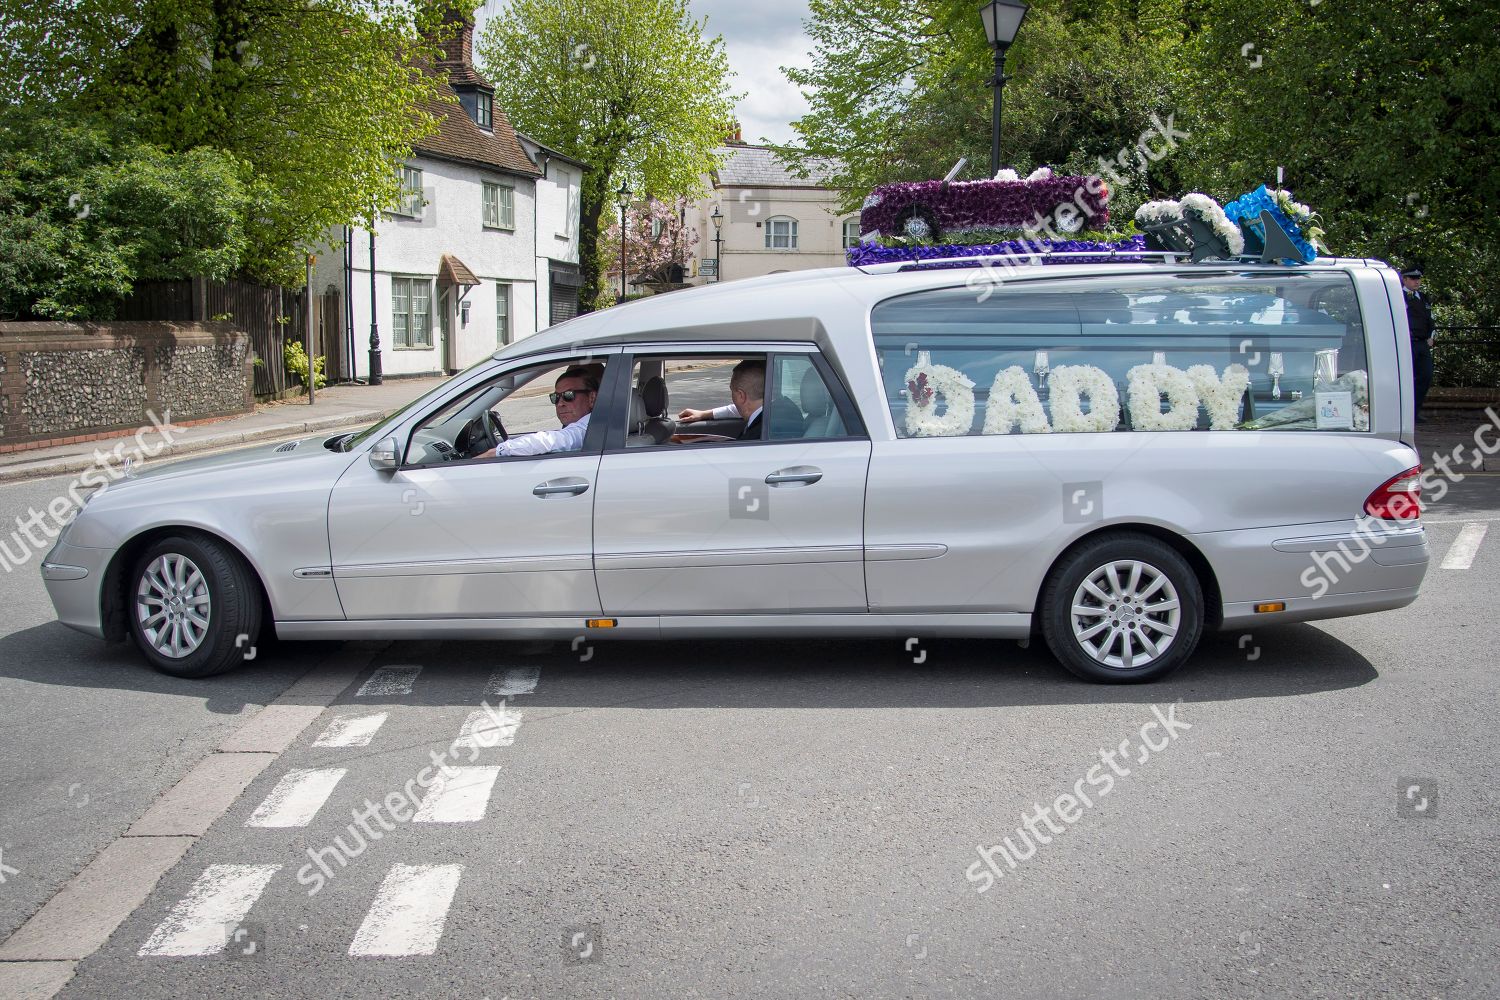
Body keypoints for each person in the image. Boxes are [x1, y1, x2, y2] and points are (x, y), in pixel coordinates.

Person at [476, 363, 603, 458]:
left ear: (592, 398)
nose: (560, 403)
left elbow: (551, 440)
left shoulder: (592, 426)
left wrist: (496, 452)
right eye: (555, 397)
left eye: (568, 395)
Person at [677, 360, 765, 440]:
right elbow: (738, 409)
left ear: (741, 395)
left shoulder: (753, 438)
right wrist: (703, 414)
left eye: (732, 390)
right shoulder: (770, 413)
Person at [1402, 267, 1434, 423]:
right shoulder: (1398, 296)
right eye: (1413, 279)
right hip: (1406, 343)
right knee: (1405, 378)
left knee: (1426, 376)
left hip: (1422, 343)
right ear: (1405, 279)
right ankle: (1404, 413)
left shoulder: (1423, 297)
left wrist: (1431, 336)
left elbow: (1430, 318)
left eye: (1418, 279)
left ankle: (1415, 411)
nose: (1417, 281)